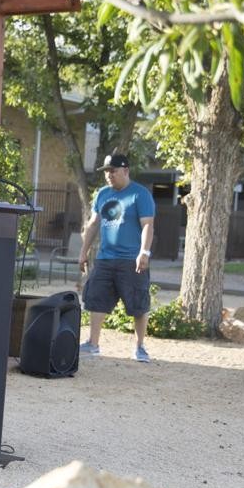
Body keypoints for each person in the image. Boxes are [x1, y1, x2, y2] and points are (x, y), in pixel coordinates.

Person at [77, 152, 157, 362]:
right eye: (106, 172)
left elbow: (147, 225)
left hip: (131, 259)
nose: (109, 176)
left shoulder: (140, 194)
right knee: (96, 299)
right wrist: (83, 251)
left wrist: (144, 252)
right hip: (105, 258)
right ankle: (93, 344)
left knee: (138, 303)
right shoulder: (102, 194)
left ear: (125, 170)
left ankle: (140, 347)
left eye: (113, 171)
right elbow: (94, 224)